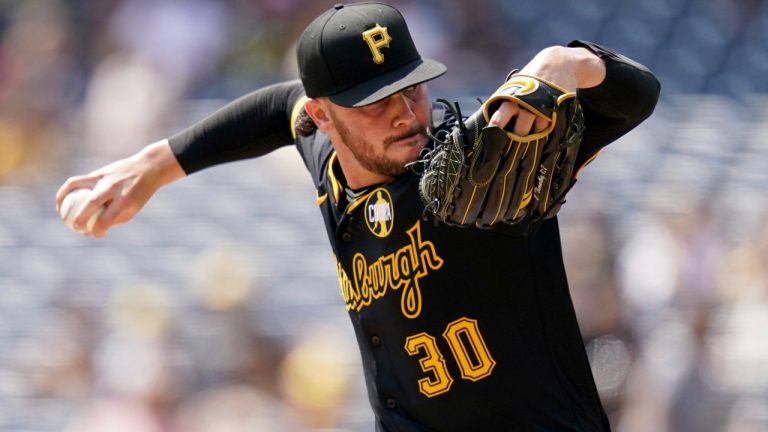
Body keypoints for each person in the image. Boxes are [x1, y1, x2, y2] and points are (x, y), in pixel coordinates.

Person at [56, 2, 660, 431]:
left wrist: (571, 62)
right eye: (376, 101)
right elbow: (275, 106)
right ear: (323, 117)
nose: (406, 113)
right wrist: (155, 165)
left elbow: (637, 96)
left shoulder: (484, 162)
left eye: (414, 87)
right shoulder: (326, 153)